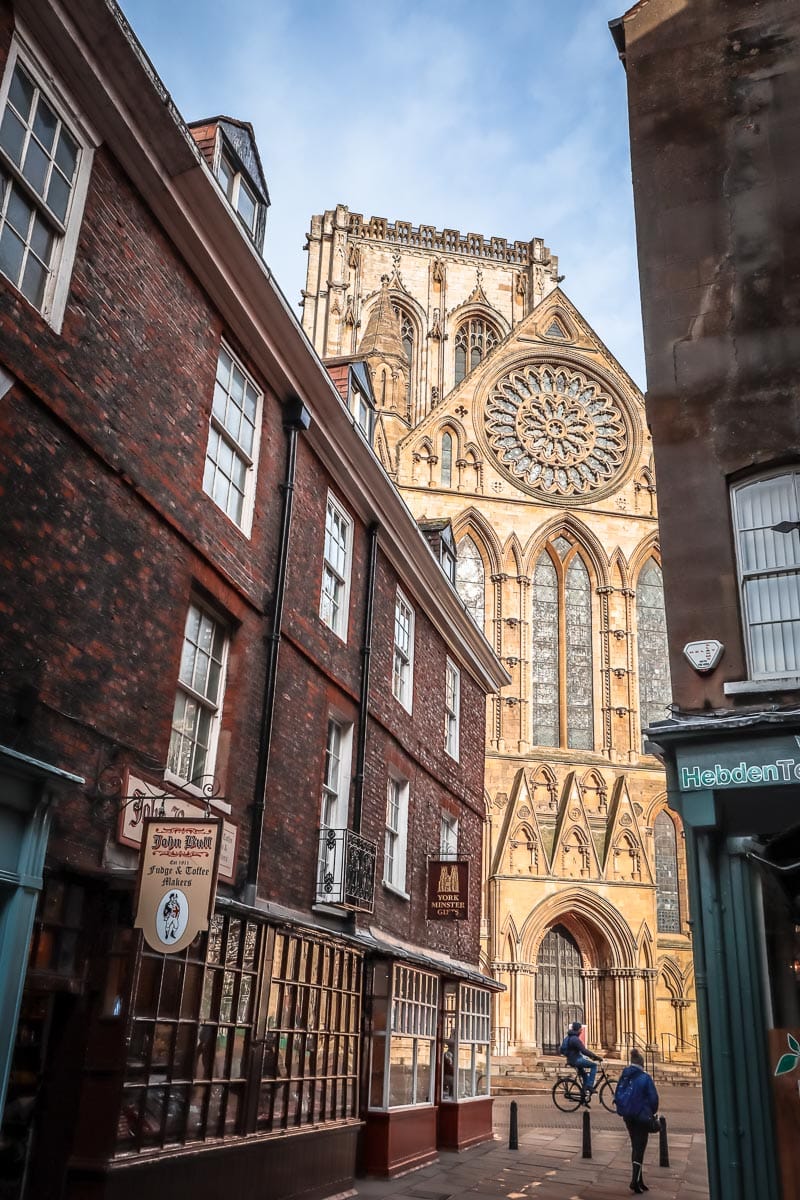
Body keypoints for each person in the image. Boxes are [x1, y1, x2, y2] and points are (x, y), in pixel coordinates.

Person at [614, 1048, 659, 1194]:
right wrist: (650, 1112)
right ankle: (635, 1180)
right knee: (640, 1147)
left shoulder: (624, 1075)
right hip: (641, 1116)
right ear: (642, 1064)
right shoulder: (645, 1078)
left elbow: (617, 1093)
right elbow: (653, 1099)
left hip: (628, 1116)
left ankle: (639, 1179)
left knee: (636, 1146)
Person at [563, 1020, 602, 1098]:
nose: (581, 1030)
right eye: (581, 1029)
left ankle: (583, 1095)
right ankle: (590, 1086)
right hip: (576, 1060)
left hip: (572, 1059)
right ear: (578, 1029)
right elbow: (584, 1051)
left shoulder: (570, 1037)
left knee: (584, 1076)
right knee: (594, 1066)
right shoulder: (575, 1039)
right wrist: (595, 1057)